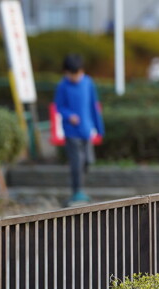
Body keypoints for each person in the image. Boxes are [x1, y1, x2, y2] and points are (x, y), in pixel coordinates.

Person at [54, 54, 105, 205]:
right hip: (71, 131)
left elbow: (93, 106)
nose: (73, 77)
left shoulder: (88, 83)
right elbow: (59, 106)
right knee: (77, 162)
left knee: (88, 161)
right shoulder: (63, 85)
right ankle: (77, 191)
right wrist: (69, 116)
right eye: (70, 74)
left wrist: (99, 127)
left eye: (75, 74)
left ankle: (80, 189)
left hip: (86, 129)